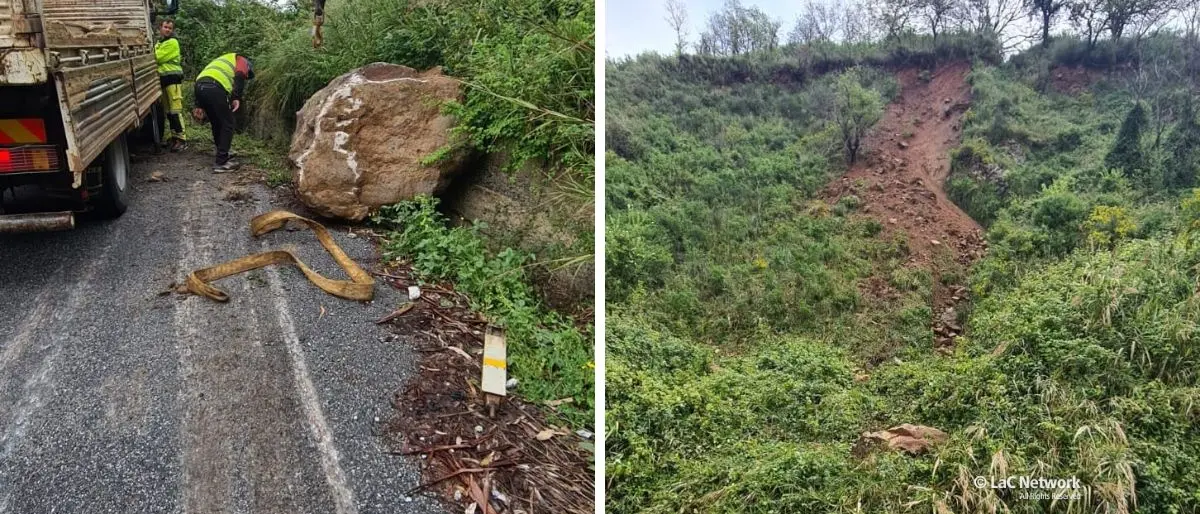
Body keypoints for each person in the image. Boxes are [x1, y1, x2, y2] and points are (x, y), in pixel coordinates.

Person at [192, 53, 254, 173]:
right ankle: (221, 162)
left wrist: (198, 104)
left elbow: (206, 77)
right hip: (214, 86)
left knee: (216, 122)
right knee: (228, 123)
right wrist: (236, 97)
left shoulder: (224, 59)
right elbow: (240, 75)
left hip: (199, 85)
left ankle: (222, 151)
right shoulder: (242, 60)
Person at [154, 19, 187, 152]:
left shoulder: (172, 42)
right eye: (165, 27)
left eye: (170, 28)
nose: (167, 30)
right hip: (164, 81)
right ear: (160, 28)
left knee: (175, 111)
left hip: (173, 80)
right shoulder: (159, 43)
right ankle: (174, 138)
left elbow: (157, 58)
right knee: (168, 112)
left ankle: (181, 140)